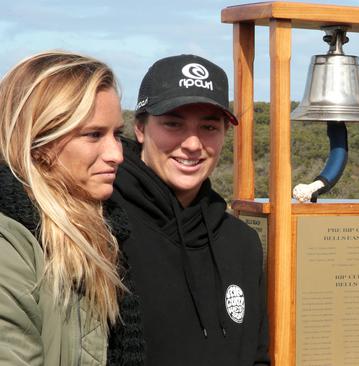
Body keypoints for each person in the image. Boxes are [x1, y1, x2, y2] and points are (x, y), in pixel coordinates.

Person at [108, 54, 269, 365]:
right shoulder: (102, 227)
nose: (193, 144)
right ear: (140, 128)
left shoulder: (242, 243)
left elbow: (257, 356)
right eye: (173, 124)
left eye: (209, 127)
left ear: (224, 134)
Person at [0, 51, 125, 365]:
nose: (116, 154)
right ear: (39, 141)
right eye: (93, 134)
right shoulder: (10, 244)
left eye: (117, 135)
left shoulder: (105, 229)